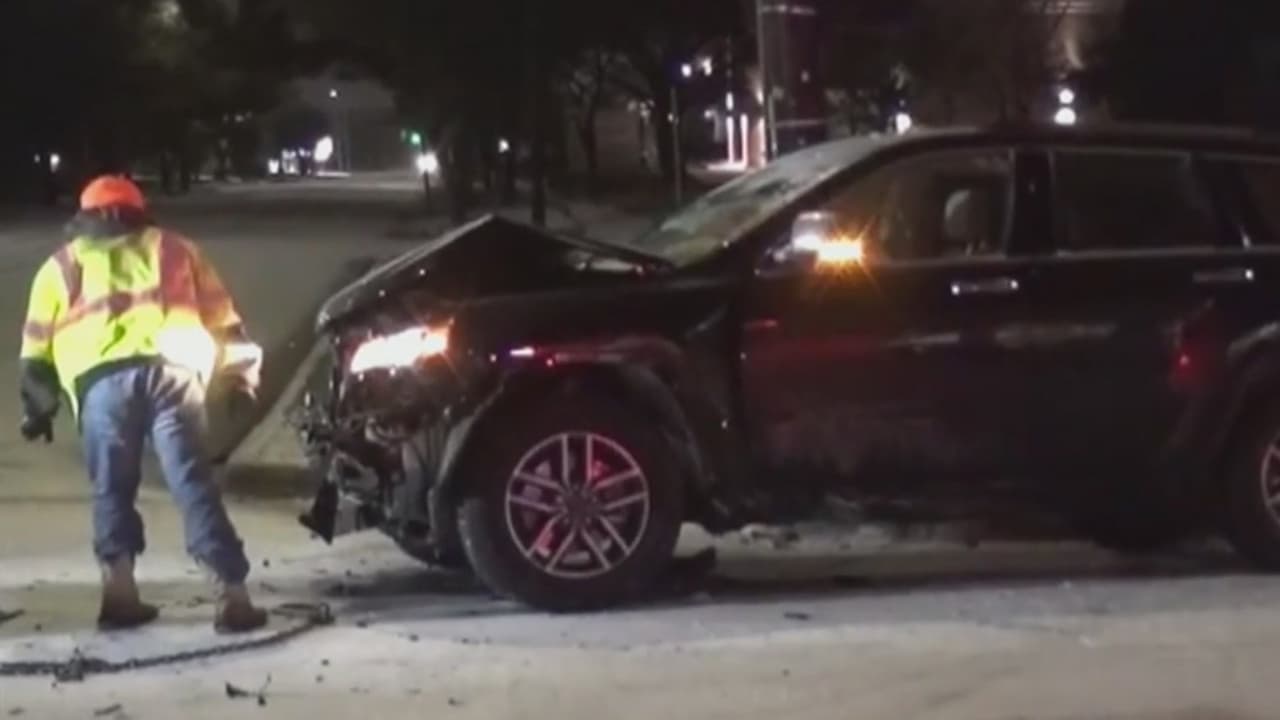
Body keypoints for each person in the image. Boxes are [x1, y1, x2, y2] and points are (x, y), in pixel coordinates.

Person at [18, 176, 269, 634]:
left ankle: (119, 593)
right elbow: (226, 323)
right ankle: (231, 596)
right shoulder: (176, 249)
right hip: (174, 372)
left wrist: (38, 408)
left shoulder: (62, 265)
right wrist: (241, 381)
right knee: (192, 482)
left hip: (102, 386)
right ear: (139, 210)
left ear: (85, 215)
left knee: (111, 488)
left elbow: (36, 348)